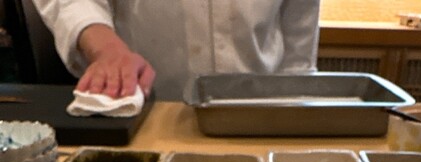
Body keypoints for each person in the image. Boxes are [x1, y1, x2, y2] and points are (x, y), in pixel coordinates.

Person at [31, 0, 321, 100]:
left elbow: (298, 47)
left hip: (261, 111)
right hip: (144, 110)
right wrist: (107, 51)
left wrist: (298, 95)